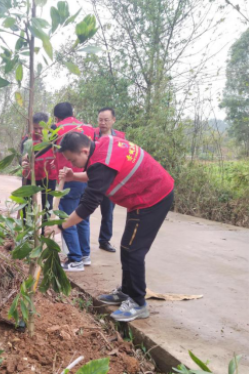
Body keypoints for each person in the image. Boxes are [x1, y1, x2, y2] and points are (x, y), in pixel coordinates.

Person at [46, 132, 174, 322]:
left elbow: (88, 205)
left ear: (84, 150)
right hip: (142, 196)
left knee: (133, 250)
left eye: (73, 160)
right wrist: (75, 176)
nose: (73, 163)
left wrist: (60, 227)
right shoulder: (102, 145)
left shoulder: (101, 162)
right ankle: (127, 291)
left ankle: (138, 303)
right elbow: (98, 173)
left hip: (153, 197)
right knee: (127, 247)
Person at [52, 103, 95, 272]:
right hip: (87, 176)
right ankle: (85, 255)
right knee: (82, 216)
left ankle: (75, 259)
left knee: (67, 218)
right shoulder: (88, 128)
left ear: (56, 118)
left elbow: (49, 152)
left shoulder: (56, 129)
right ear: (73, 113)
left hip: (69, 179)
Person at [94, 108, 126, 253]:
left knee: (108, 213)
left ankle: (104, 240)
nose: (103, 123)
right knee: (84, 210)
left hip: (110, 181)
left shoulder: (120, 138)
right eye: (100, 119)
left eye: (106, 120)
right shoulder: (91, 135)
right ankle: (80, 243)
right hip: (92, 180)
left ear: (113, 120)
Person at [21, 113, 58, 229]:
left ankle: (44, 232)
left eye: (41, 128)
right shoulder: (27, 139)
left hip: (48, 177)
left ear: (47, 126)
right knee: (26, 205)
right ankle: (28, 231)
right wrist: (22, 161)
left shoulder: (54, 138)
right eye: (35, 128)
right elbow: (21, 156)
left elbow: (61, 155)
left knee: (47, 206)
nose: (38, 131)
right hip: (29, 176)